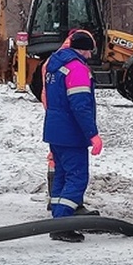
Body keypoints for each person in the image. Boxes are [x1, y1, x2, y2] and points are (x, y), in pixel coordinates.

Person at [41, 31, 104, 242]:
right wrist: (93, 135)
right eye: (88, 51)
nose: (88, 56)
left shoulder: (54, 65)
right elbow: (80, 106)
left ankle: (57, 219)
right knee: (77, 177)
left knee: (61, 176)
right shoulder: (76, 69)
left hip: (54, 131)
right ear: (84, 49)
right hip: (71, 134)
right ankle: (62, 225)